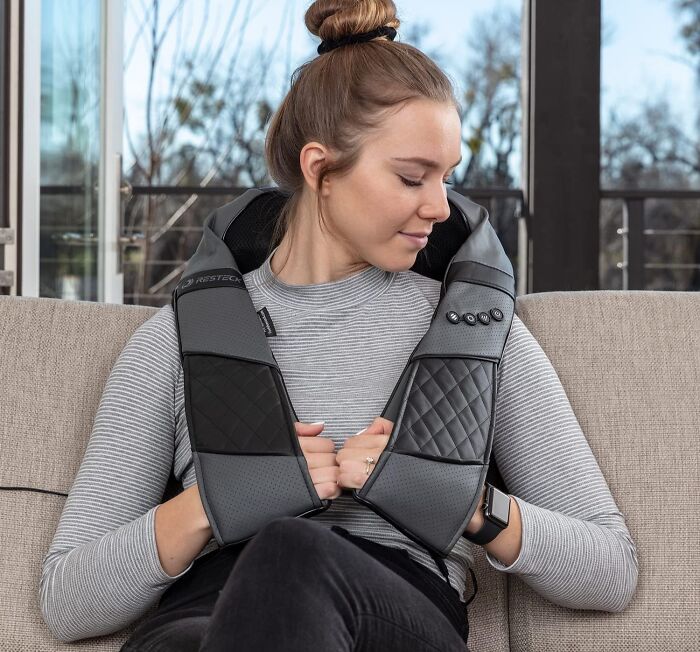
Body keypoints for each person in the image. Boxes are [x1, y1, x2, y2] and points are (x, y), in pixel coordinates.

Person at [38, 1, 639, 650]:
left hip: (393, 615)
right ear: (320, 170)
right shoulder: (174, 342)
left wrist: (464, 504)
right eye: (413, 177)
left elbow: (609, 568)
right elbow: (69, 600)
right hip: (204, 622)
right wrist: (216, 503)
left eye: (446, 178)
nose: (441, 207)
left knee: (290, 555)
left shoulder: (475, 332)